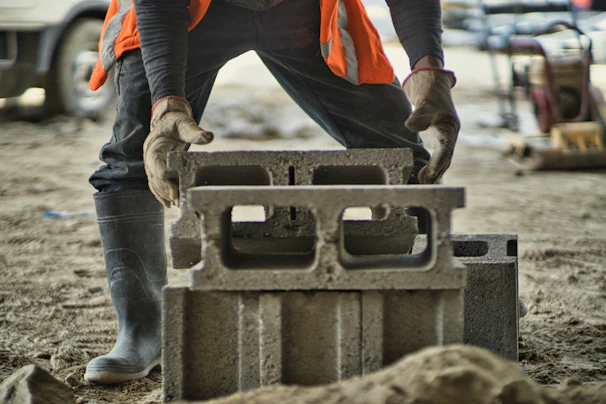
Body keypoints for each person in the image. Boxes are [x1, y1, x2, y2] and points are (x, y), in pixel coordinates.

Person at [84, 0, 460, 384]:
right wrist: (165, 105)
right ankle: (142, 330)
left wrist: (429, 68)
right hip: (186, 13)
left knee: (400, 149)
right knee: (140, 153)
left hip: (302, 10)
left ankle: (449, 284)